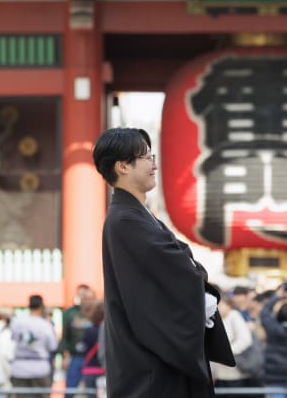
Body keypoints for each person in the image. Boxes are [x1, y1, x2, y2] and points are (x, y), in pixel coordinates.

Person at [93, 127, 234, 398]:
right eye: (146, 157)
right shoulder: (125, 219)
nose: (154, 165)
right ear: (123, 166)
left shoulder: (133, 215)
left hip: (151, 365)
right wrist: (196, 278)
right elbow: (178, 268)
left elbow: (178, 263)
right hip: (149, 370)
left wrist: (193, 272)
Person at [10, 295, 57, 396]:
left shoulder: (18, 322)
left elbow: (13, 339)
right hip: (40, 367)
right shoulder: (45, 325)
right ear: (41, 306)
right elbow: (52, 346)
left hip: (20, 367)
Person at [211, 293, 256, 397]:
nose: (217, 307)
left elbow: (245, 340)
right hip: (219, 375)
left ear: (228, 305)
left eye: (220, 304)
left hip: (235, 373)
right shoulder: (215, 319)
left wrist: (226, 352)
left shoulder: (234, 316)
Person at [60, 284, 95, 397]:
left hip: (93, 357)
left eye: (89, 298)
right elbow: (65, 336)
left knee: (92, 391)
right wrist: (65, 356)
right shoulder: (70, 313)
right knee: (71, 390)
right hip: (76, 356)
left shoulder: (99, 312)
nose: (86, 301)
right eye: (83, 298)